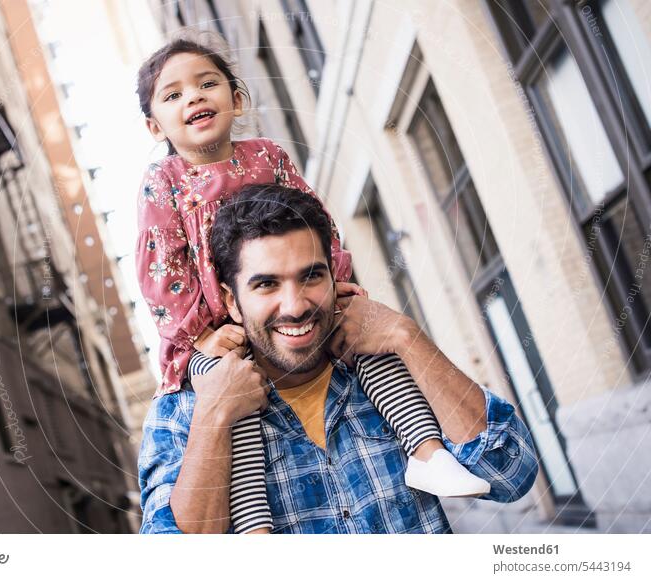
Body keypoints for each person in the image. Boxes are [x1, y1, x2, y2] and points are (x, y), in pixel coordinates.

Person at [135, 34, 490, 534]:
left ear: (236, 99)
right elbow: (160, 266)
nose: (192, 97)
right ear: (155, 126)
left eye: (207, 83)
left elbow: (319, 219)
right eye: (172, 95)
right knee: (235, 399)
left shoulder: (269, 156)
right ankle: (256, 529)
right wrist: (197, 336)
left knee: (369, 348)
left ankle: (427, 451)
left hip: (275, 321)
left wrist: (338, 280)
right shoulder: (164, 182)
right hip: (216, 332)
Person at [138, 184, 539, 534]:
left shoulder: (389, 368)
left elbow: (511, 474)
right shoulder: (181, 413)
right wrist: (214, 414)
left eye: (311, 276)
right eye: (266, 284)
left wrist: (407, 337)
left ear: (335, 278)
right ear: (232, 302)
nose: (294, 306)